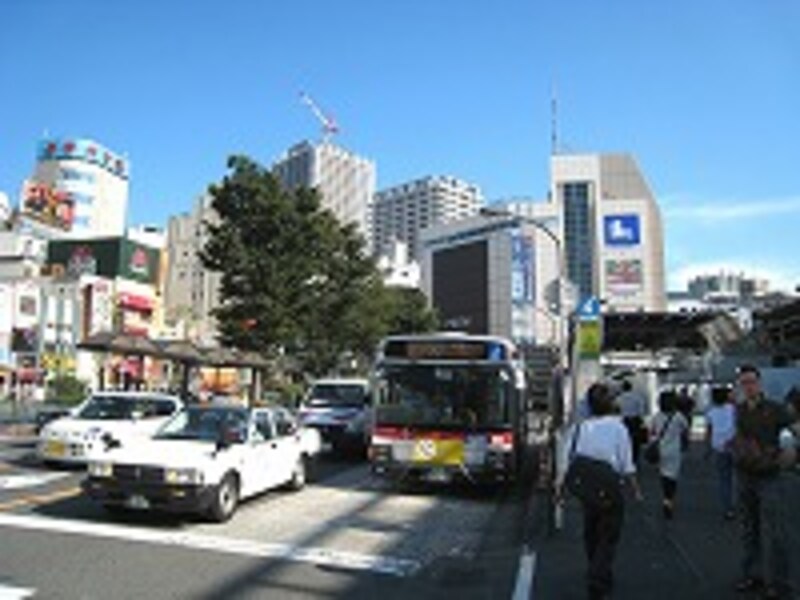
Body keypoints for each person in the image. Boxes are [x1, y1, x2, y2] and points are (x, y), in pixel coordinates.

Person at [556, 382, 642, 600]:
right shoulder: (618, 428)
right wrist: (636, 490)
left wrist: (559, 491)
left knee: (591, 530)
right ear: (611, 405)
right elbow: (627, 465)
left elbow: (565, 462)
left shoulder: (578, 429)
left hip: (586, 489)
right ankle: (598, 576)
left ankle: (597, 569)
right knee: (609, 535)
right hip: (610, 488)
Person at [732, 364, 794, 599]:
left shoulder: (776, 409)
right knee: (749, 529)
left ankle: (779, 583)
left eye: (752, 382)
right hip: (745, 474)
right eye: (744, 382)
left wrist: (789, 454)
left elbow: (794, 430)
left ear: (760, 384)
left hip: (769, 477)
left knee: (775, 531)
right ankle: (753, 576)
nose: (749, 386)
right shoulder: (739, 410)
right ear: (740, 386)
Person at [650, 390, 689, 519]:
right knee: (672, 477)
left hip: (661, 450)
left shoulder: (656, 416)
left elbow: (652, 432)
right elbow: (685, 430)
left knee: (663, 475)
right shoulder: (678, 416)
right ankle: (668, 500)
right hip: (674, 450)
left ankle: (666, 497)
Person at [705, 385, 737, 519]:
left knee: (724, 479)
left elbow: (709, 432)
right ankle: (740, 504)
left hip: (719, 448)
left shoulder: (710, 412)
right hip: (735, 447)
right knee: (739, 477)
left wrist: (707, 449)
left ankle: (728, 508)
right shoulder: (734, 409)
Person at [616, 380, 647, 464]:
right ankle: (635, 459)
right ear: (631, 388)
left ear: (623, 388)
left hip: (624, 421)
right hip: (635, 420)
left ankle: (626, 458)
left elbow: (617, 411)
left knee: (625, 440)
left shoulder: (619, 398)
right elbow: (641, 410)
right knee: (636, 441)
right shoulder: (637, 397)